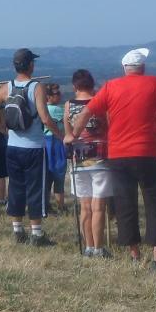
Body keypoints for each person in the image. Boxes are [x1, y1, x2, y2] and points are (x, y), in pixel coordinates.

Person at [76, 48, 156, 269]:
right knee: (155, 204)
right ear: (143, 68)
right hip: (147, 152)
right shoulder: (155, 84)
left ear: (124, 68)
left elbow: (86, 113)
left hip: (118, 154)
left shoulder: (111, 86)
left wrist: (71, 135)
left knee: (125, 204)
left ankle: (134, 254)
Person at [0, 49, 63, 246]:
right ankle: (37, 234)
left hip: (13, 146)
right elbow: (45, 118)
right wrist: (60, 136)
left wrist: (3, 129)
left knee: (16, 187)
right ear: (31, 65)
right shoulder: (36, 87)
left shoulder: (7, 87)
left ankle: (17, 229)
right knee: (35, 188)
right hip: (34, 146)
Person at [63, 69, 111, 257]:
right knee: (99, 206)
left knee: (85, 206)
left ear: (75, 86)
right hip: (100, 156)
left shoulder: (69, 105)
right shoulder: (100, 102)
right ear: (92, 83)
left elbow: (69, 132)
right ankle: (99, 248)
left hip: (78, 159)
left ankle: (89, 247)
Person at [44, 83, 68, 214]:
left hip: (44, 143)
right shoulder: (58, 110)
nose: (60, 95)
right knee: (59, 175)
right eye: (57, 93)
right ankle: (61, 206)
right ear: (48, 96)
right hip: (56, 144)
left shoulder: (41, 110)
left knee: (47, 177)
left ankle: (45, 204)